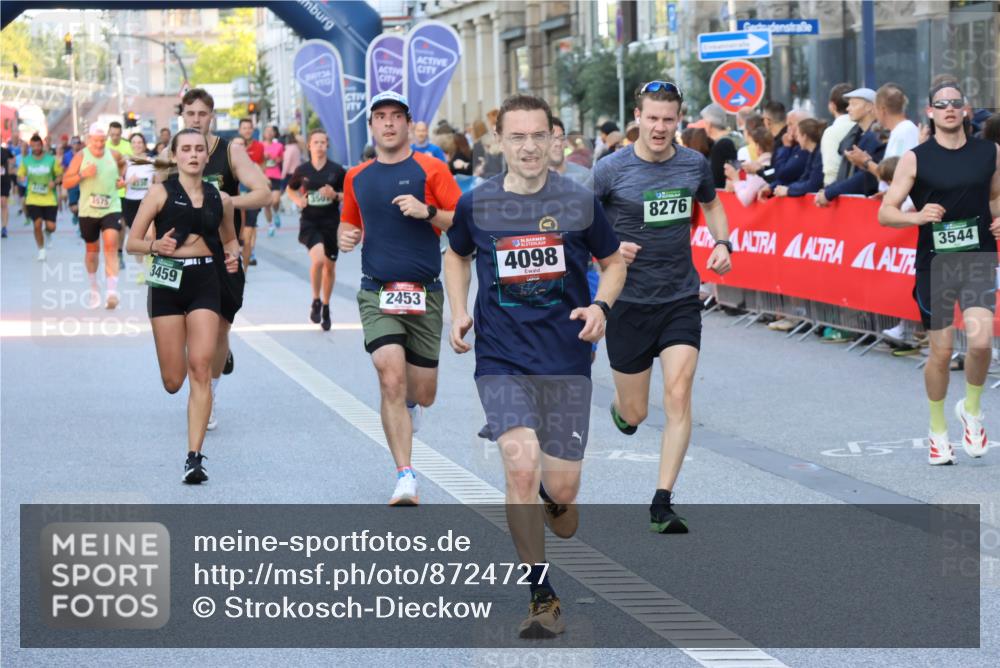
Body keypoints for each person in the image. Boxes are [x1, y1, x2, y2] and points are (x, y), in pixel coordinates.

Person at [445, 93, 626, 638]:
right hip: (500, 358)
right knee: (520, 468)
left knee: (563, 493)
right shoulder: (476, 204)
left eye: (537, 136)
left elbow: (613, 263)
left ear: (555, 140)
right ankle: (541, 594)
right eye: (516, 136)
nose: (527, 146)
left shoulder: (578, 201)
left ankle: (552, 499)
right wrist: (458, 310)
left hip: (566, 360)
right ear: (498, 141)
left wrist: (600, 306)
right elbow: (456, 254)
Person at [591, 81, 733, 533]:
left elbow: (712, 206)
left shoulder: (693, 163)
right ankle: (621, 408)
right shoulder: (610, 169)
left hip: (678, 298)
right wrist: (608, 250)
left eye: (668, 119)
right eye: (651, 118)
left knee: (678, 391)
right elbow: (581, 224)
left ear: (679, 120)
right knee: (636, 414)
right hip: (627, 302)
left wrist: (722, 242)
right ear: (638, 116)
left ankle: (662, 501)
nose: (659, 127)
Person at [338, 91, 461, 506]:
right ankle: (405, 476)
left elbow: (462, 222)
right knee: (389, 374)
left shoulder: (432, 168)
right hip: (377, 291)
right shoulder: (356, 176)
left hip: (425, 293)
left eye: (396, 116)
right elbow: (348, 226)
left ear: (408, 124)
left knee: (421, 392)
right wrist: (346, 236)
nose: (388, 124)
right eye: (380, 117)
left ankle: (412, 404)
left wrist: (428, 212)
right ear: (371, 125)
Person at [879, 81, 999, 465]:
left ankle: (973, 411)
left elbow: (995, 196)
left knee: (981, 344)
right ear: (929, 112)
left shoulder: (989, 152)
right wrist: (916, 216)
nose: (949, 109)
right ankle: (937, 430)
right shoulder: (916, 158)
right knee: (942, 351)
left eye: (955, 103)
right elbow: (886, 211)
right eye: (941, 104)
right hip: (937, 263)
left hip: (979, 256)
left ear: (965, 110)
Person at [126, 128, 240, 484]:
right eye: (186, 149)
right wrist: (154, 246)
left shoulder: (219, 198)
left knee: (201, 369)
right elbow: (132, 241)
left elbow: (230, 240)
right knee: (174, 381)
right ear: (175, 156)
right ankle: (186, 344)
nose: (193, 154)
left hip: (205, 281)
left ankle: (194, 458)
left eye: (199, 149)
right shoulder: (160, 193)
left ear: (208, 156)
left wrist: (233, 256)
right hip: (166, 284)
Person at [161, 89, 271, 430]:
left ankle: (210, 391)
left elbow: (263, 192)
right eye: (190, 114)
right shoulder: (170, 152)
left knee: (221, 325)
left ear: (212, 117)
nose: (196, 119)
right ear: (183, 117)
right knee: (179, 327)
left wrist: (225, 203)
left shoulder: (231, 151)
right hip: (180, 252)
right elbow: (154, 197)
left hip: (223, 252)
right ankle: (202, 370)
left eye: (202, 114)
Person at [62, 124, 127, 309]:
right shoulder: (81, 156)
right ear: (89, 139)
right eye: (95, 141)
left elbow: (123, 163)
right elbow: (66, 182)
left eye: (102, 141)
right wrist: (83, 174)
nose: (99, 144)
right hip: (88, 211)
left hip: (111, 207)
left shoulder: (113, 155)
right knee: (92, 251)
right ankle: (94, 288)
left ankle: (112, 292)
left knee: (111, 245)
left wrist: (121, 178)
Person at [286, 129, 346, 331]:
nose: (319, 146)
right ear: (309, 146)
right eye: (316, 142)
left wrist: (335, 195)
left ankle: (326, 305)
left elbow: (349, 195)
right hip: (310, 222)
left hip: (331, 223)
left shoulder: (336, 170)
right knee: (318, 260)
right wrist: (298, 200)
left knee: (330, 267)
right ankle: (315, 300)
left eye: (323, 142)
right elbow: (290, 188)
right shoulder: (302, 170)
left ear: (327, 145)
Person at [817, 87, 886, 206]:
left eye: (854, 104)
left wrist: (830, 192)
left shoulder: (878, 136)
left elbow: (865, 177)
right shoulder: (856, 135)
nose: (848, 108)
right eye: (848, 104)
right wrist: (830, 189)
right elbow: (848, 174)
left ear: (870, 107)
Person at [19, 134, 62, 261]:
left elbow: (60, 175)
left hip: (49, 198)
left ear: (42, 145)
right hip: (33, 197)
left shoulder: (51, 160)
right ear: (31, 146)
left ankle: (48, 233)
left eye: (38, 145)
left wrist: (54, 182)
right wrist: (21, 177)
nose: (36, 148)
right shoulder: (26, 161)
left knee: (51, 226)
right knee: (37, 224)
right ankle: (41, 249)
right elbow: (20, 174)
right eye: (33, 146)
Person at [759, 118, 825, 199]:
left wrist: (788, 190)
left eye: (798, 135)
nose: (797, 138)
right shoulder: (812, 154)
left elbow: (813, 184)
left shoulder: (819, 154)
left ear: (804, 136)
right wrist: (775, 188)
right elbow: (802, 179)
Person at [237, 118, 265, 264]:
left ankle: (250, 251)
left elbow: (262, 166)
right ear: (239, 130)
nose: (247, 130)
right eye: (244, 128)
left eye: (250, 128)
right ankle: (245, 249)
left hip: (253, 191)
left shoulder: (259, 147)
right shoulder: (233, 147)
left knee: (251, 225)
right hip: (237, 192)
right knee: (242, 225)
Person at [821, 83, 857, 187]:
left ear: (832, 106)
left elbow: (831, 171)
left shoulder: (831, 132)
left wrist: (827, 193)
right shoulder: (862, 127)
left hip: (837, 193)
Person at [122, 133, 156, 233]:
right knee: (135, 234)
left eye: (140, 142)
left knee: (148, 235)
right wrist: (128, 181)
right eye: (134, 142)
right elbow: (116, 184)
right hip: (130, 202)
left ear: (144, 145)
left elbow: (158, 183)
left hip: (147, 202)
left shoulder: (152, 162)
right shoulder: (126, 162)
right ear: (130, 145)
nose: (137, 145)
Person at [702, 103, 738, 188]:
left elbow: (717, 179)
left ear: (709, 124)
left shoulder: (722, 145)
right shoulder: (735, 137)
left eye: (704, 122)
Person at [549, 117, 591, 185]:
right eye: (551, 138)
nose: (558, 143)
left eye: (561, 137)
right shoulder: (531, 179)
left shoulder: (584, 177)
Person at [2, 143, 16, 239]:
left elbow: (13, 158)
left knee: (3, 203)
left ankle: (4, 227)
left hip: (4, 181)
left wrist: (10, 168)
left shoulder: (5, 151)